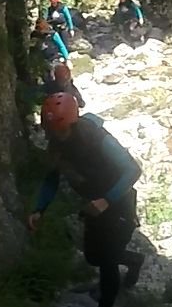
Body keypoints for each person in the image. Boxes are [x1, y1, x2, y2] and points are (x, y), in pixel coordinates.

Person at [28, 93, 145, 307]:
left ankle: (106, 301)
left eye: (59, 129)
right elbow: (51, 178)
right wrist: (39, 209)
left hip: (119, 202)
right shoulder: (56, 145)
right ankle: (134, 260)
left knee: (107, 261)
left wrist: (106, 200)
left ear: (71, 122)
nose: (56, 134)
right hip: (94, 205)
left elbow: (132, 170)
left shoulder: (95, 137)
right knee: (93, 256)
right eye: (52, 129)